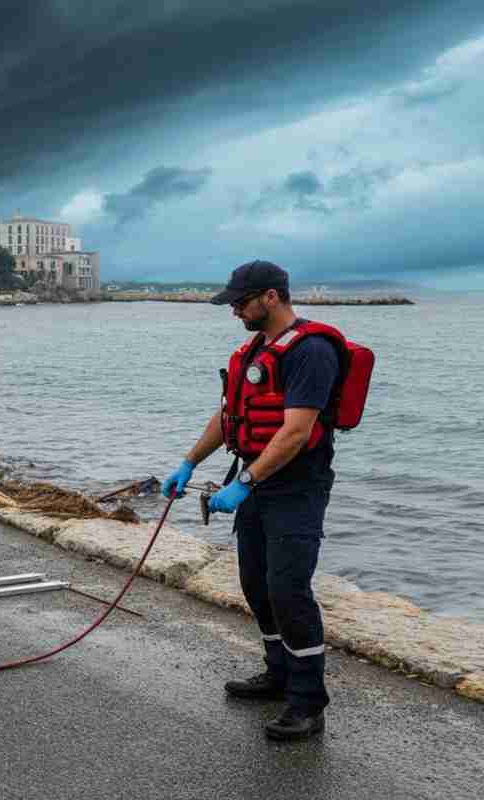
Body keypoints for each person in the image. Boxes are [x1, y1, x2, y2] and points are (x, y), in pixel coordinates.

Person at [161, 260, 345, 741]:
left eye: (241, 302)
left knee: (288, 590)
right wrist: (188, 463)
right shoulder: (253, 351)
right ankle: (278, 674)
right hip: (258, 483)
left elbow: (297, 432)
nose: (235, 311)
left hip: (297, 488)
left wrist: (244, 481)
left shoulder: (312, 352)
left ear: (271, 297)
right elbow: (228, 416)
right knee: (256, 586)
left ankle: (308, 702)